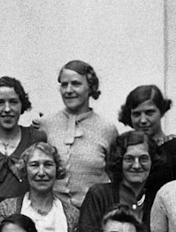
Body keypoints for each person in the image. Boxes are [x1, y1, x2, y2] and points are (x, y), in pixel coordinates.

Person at [37, 59, 118, 209]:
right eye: (64, 85)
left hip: (94, 213)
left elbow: (114, 176)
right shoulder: (45, 124)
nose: (68, 90)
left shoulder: (107, 129)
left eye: (76, 84)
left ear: (90, 87)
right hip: (53, 214)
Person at [76, 130, 157, 232]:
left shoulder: (157, 198)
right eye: (129, 159)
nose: (137, 165)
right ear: (119, 161)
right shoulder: (99, 195)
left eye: (143, 159)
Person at [0, 76, 48, 205]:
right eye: (0, 102)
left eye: (13, 102)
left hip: (26, 219)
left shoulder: (36, 139)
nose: (7, 109)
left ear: (22, 104)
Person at [119, 84, 176, 200]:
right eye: (136, 114)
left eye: (149, 113)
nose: (143, 120)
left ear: (162, 112)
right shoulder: (121, 148)